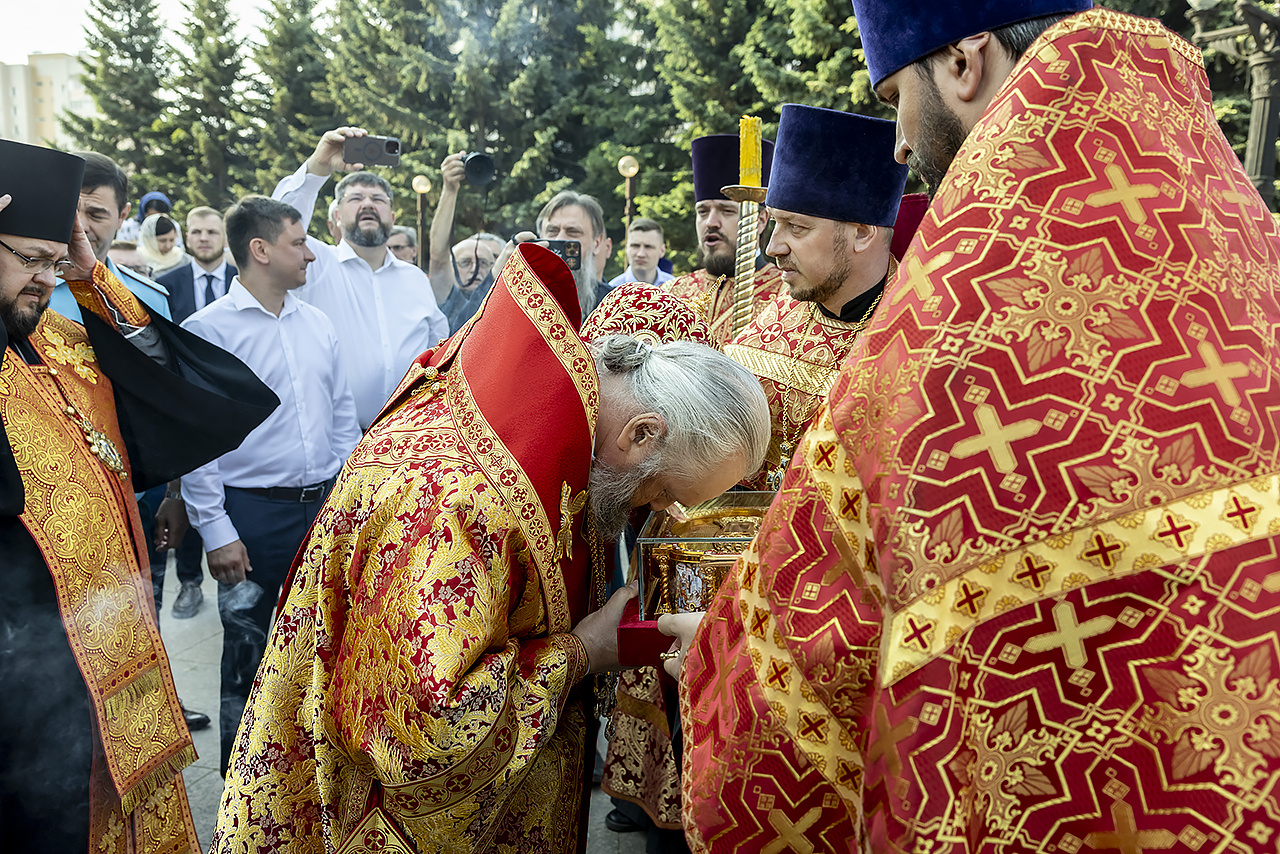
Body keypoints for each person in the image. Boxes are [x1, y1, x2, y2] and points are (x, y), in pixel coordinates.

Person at [669, 1, 1280, 852]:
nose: (897, 145)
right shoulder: (1242, 235)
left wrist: (723, 660)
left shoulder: (948, 323)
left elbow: (790, 704)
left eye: (894, 101)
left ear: (963, 60)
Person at [209, 242, 770, 854]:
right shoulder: (455, 501)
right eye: (663, 491)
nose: (657, 511)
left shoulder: (557, 438)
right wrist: (584, 652)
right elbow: (424, 737)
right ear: (640, 435)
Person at [0, 139, 276, 853]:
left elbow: (181, 393)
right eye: (28, 260)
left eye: (51, 262)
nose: (43, 280)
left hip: (111, 649)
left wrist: (92, 276)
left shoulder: (58, 340)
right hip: (25, 669)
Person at [181, 195, 360, 776]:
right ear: (260, 250)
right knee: (249, 657)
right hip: (250, 517)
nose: (310, 253)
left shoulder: (319, 323)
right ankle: (245, 791)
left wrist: (350, 498)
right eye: (298, 241)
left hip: (323, 510)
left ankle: (313, 781)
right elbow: (199, 439)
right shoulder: (208, 330)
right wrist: (216, 530)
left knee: (324, 651)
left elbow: (341, 415)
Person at [724, 104, 908, 488]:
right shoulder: (762, 338)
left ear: (862, 232)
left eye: (797, 227)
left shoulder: (920, 332)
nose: (772, 246)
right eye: (775, 222)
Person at [272, 126, 449, 429]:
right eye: (355, 198)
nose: (367, 203)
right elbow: (277, 220)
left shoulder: (415, 279)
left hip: (406, 436)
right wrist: (319, 164)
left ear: (392, 219)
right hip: (335, 439)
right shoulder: (315, 262)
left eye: (377, 199)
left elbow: (438, 352)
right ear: (337, 217)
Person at [151, 206, 239, 622]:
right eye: (196, 232)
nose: (204, 238)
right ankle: (189, 582)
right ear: (187, 237)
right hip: (184, 400)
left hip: (232, 403)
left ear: (224, 236)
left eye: (211, 231)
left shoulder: (244, 283)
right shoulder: (165, 285)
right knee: (186, 489)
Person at [665, 134, 782, 345]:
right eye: (702, 211)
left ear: (761, 220)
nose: (711, 222)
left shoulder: (785, 296)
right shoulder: (671, 294)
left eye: (726, 211)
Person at [493, 189, 615, 324]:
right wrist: (497, 282)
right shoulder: (522, 297)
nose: (560, 238)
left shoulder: (615, 305)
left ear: (597, 243)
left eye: (573, 232)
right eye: (552, 231)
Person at [608, 217, 674, 289]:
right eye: (635, 246)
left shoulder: (675, 289)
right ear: (627, 248)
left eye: (648, 247)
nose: (640, 254)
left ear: (662, 250)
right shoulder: (612, 290)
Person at [139, 213, 188, 278]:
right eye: (162, 241)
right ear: (149, 239)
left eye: (171, 240)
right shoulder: (137, 260)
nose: (168, 246)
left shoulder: (183, 259)